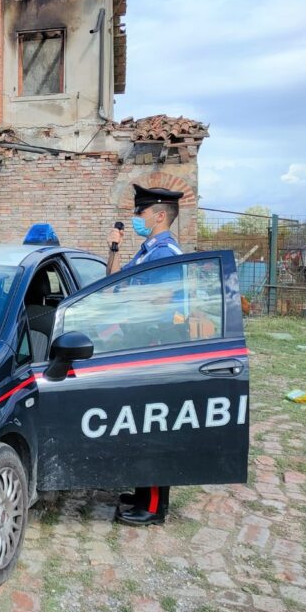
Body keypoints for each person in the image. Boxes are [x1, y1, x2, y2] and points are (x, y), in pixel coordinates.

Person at [104, 183, 184, 527]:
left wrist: (126, 305)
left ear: (160, 215)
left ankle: (153, 506)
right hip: (139, 344)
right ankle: (141, 492)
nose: (137, 218)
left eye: (141, 213)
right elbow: (112, 280)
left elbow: (159, 302)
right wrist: (113, 248)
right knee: (138, 422)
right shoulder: (147, 251)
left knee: (151, 425)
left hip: (154, 346)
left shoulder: (164, 253)